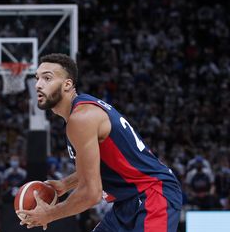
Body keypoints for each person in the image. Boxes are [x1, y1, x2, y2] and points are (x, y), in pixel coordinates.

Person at [17, 53, 182, 231]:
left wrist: (49, 214)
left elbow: (92, 194)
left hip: (154, 193)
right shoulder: (78, 115)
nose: (38, 85)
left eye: (47, 78)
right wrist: (65, 184)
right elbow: (92, 170)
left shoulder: (81, 118)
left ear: (67, 84)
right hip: (126, 202)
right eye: (37, 78)